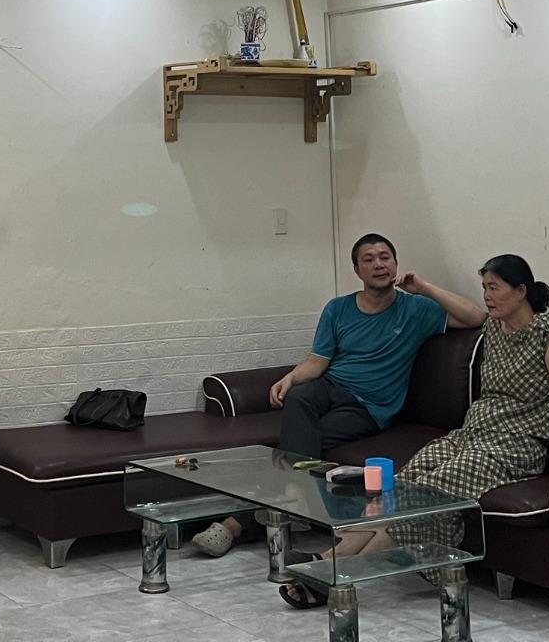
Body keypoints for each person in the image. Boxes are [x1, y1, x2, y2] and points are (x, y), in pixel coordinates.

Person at [278, 253, 549, 610]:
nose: (487, 297)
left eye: (494, 288)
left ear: (521, 291)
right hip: (472, 433)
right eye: (484, 288)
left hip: (515, 444)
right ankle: (329, 561)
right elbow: (473, 317)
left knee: (429, 491)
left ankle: (334, 574)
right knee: (404, 483)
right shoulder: (493, 329)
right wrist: (426, 288)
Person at [190, 233, 446, 557]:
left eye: (385, 257)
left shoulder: (418, 309)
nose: (378, 264)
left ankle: (243, 521)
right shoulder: (338, 308)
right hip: (331, 385)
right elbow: (317, 361)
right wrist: (289, 378)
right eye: (368, 259)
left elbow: (475, 317)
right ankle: (294, 497)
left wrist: (424, 287)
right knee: (298, 398)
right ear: (357, 270)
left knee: (302, 441)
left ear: (396, 264)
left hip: (369, 407)